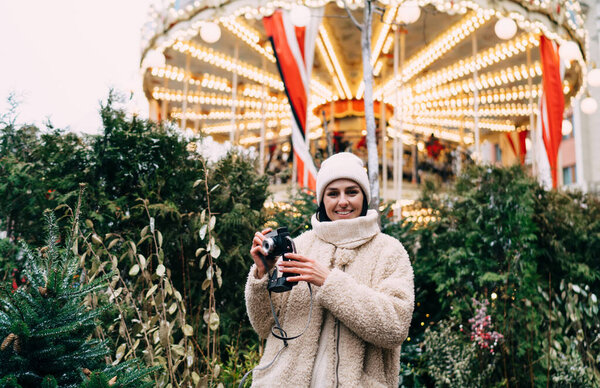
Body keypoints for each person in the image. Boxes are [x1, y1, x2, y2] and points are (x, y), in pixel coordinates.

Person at [245, 152, 414, 387]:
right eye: (333, 193)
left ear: (364, 197)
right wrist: (262, 275)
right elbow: (264, 326)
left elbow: (395, 328)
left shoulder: (389, 252)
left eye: (351, 192)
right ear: (322, 200)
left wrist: (329, 282)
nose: (342, 201)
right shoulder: (300, 245)